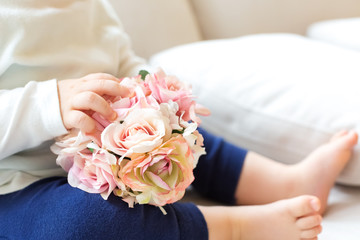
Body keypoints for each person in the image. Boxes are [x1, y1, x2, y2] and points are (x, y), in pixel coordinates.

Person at [0, 0, 357, 239]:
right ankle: (231, 228)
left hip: (111, 157)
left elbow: (124, 61)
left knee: (185, 135)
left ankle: (282, 183)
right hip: (19, 186)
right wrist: (48, 105)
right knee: (85, 222)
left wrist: (151, 96)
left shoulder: (91, 7)